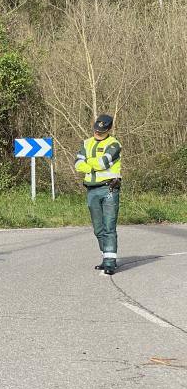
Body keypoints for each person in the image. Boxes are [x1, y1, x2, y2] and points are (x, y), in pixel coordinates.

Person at [74, 114, 122, 275]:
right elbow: (78, 164)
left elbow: (104, 163)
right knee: (98, 228)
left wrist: (89, 163)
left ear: (109, 130)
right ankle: (105, 257)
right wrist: (90, 165)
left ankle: (110, 263)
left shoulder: (114, 144)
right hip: (91, 189)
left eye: (101, 132)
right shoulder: (86, 143)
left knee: (109, 227)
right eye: (96, 130)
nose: (98, 133)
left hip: (109, 189)